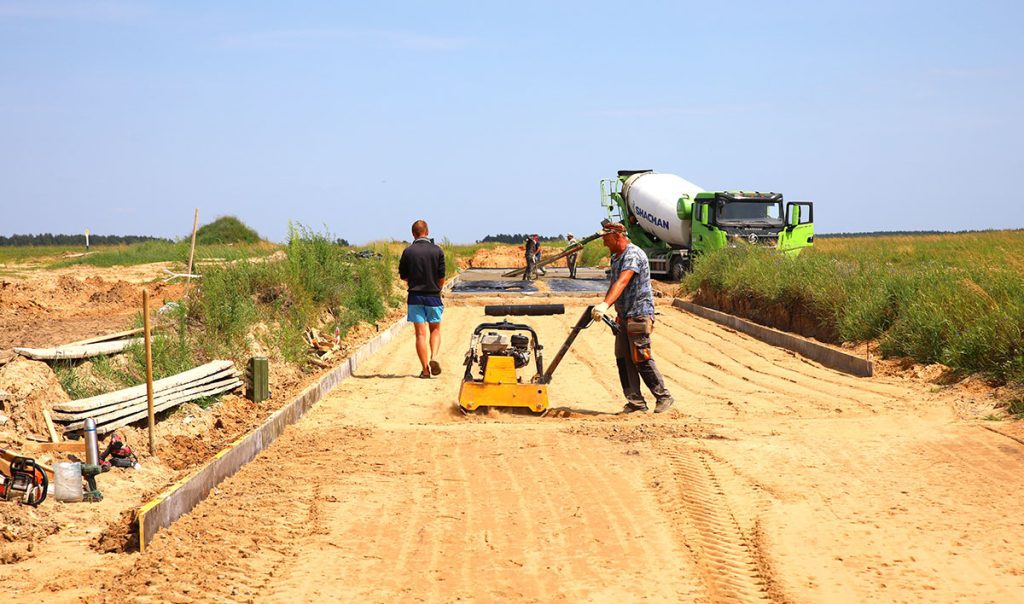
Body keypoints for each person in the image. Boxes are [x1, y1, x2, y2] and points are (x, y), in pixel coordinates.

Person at [591, 222, 674, 414]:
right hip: (624, 316)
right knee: (623, 359)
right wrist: (614, 310)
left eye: (606, 237)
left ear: (617, 235)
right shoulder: (615, 257)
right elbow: (615, 285)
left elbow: (622, 281)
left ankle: (663, 396)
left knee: (641, 357)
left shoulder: (632, 254)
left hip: (639, 314)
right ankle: (635, 402)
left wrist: (605, 305)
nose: (604, 242)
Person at [398, 220, 446, 378]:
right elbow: (441, 277)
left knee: (420, 334)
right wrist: (437, 288)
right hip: (433, 296)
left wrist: (414, 281)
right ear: (427, 231)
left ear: (413, 233)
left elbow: (403, 276)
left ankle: (425, 370)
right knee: (435, 329)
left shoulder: (408, 252)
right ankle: (434, 357)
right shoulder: (437, 251)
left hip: (415, 297)